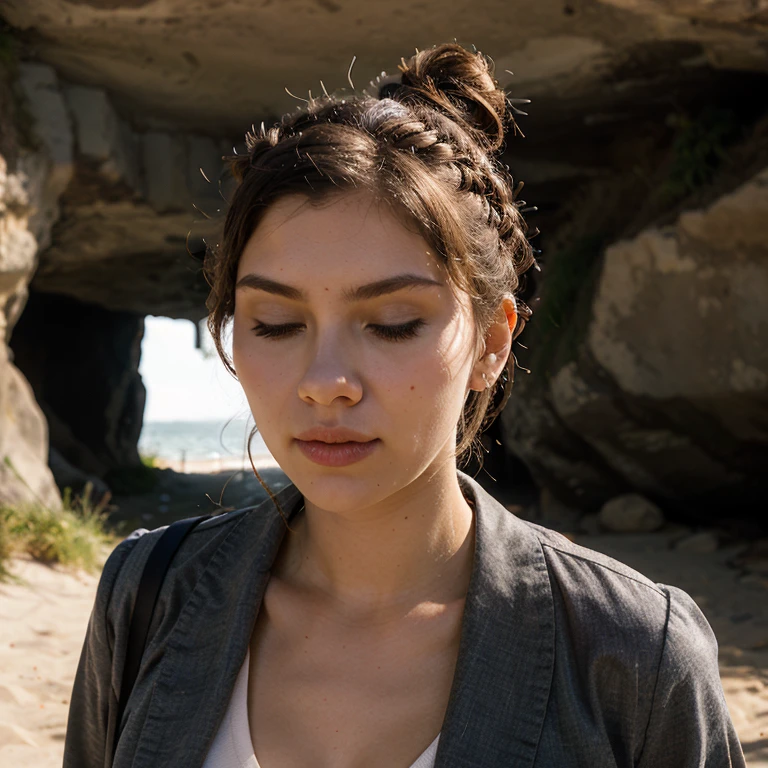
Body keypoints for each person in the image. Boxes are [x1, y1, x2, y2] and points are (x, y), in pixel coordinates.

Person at [63, 43, 746, 768]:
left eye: (393, 324)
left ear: (491, 341)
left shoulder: (636, 655)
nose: (326, 381)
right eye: (276, 324)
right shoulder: (145, 596)